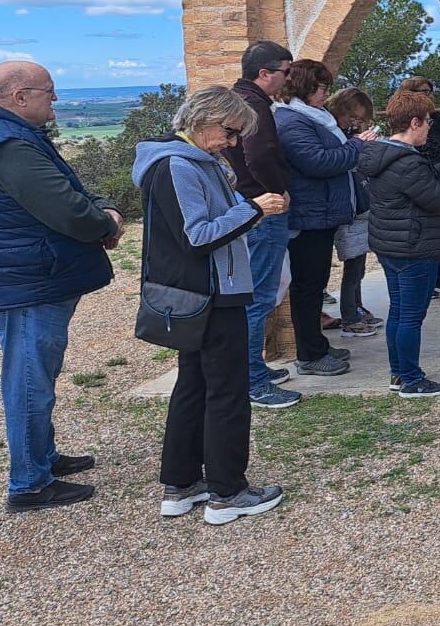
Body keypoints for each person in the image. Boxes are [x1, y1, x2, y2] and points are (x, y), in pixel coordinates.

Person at [0, 61, 122, 512]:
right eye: (49, 92)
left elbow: (65, 187)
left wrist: (101, 209)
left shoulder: (7, 134)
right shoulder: (8, 144)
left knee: (34, 376)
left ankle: (42, 459)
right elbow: (65, 209)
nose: (55, 99)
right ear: (20, 96)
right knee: (29, 382)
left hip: (23, 277)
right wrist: (99, 223)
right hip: (26, 284)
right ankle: (29, 484)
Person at [132, 85, 288, 525]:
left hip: (206, 293)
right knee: (226, 393)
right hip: (212, 295)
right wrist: (253, 210)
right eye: (230, 132)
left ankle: (182, 485)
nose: (234, 143)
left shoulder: (189, 162)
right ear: (202, 121)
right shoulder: (178, 166)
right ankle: (227, 492)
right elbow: (197, 235)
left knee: (194, 387)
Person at [360, 89, 440, 398]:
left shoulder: (383, 156)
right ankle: (411, 379)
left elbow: (415, 187)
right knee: (410, 316)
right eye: (428, 124)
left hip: (390, 245)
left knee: (399, 312)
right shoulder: (408, 162)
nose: (430, 130)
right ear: (414, 122)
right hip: (413, 247)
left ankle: (398, 374)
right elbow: (436, 199)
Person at [275, 59, 377, 376]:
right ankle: (309, 354)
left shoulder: (311, 117)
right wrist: (357, 145)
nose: (326, 94)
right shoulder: (293, 121)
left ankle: (316, 345)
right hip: (308, 215)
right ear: (306, 87)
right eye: (322, 88)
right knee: (307, 287)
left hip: (321, 212)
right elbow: (318, 162)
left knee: (315, 283)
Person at [223, 40, 301, 410]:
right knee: (258, 296)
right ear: (264, 73)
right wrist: (277, 191)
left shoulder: (239, 100)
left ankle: (254, 368)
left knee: (259, 292)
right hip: (262, 208)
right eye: (285, 73)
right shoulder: (254, 105)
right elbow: (259, 155)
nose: (287, 80)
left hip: (249, 202)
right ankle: (254, 381)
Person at [395, 77, 440, 293]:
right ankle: (426, 281)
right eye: (424, 91)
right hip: (424, 182)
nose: (429, 95)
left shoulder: (437, 118)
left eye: (431, 91)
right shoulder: (408, 120)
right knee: (427, 234)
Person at [325, 88, 381, 335]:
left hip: (359, 206)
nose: (355, 122)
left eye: (360, 118)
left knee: (358, 264)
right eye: (352, 116)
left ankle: (357, 307)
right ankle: (349, 315)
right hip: (345, 208)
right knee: (351, 263)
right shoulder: (332, 133)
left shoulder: (347, 133)